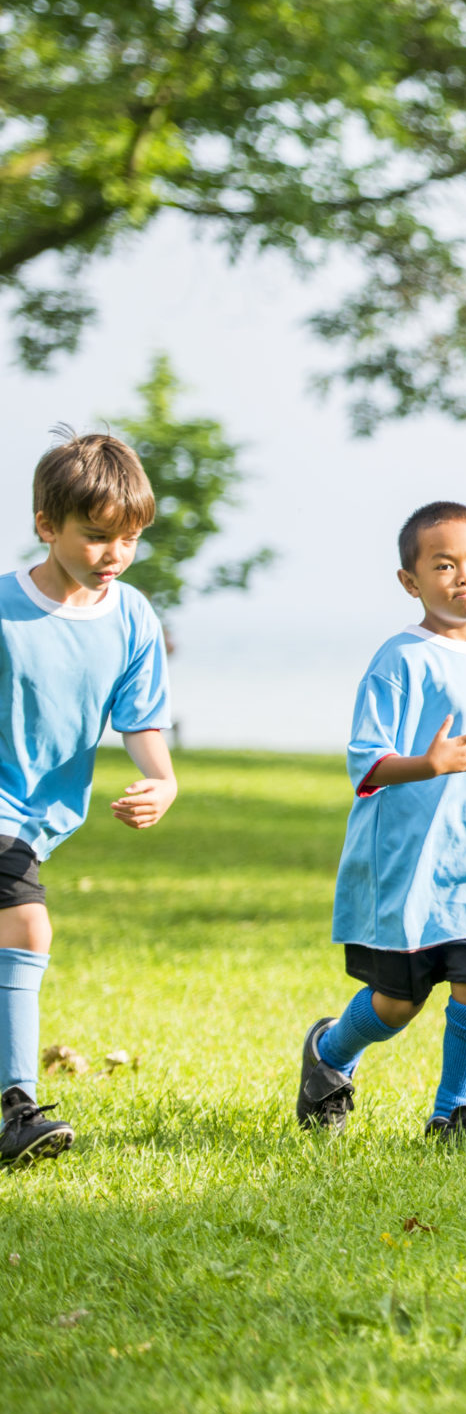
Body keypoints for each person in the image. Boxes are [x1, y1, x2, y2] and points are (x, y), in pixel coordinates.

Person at [295, 503, 466, 1144]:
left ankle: (453, 1116)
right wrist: (428, 764)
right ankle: (329, 1055)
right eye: (443, 565)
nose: (463, 576)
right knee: (398, 1004)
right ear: (411, 582)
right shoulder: (401, 659)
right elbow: (367, 761)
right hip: (410, 865)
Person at [1, 431, 180, 1167]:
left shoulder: (132, 616)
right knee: (27, 927)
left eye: (129, 538)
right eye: (97, 535)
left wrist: (162, 779)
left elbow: (140, 718)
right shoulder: (6, 608)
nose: (114, 553)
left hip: (43, 818)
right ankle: (17, 1107)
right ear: (48, 525)